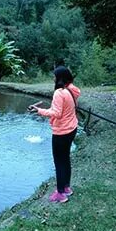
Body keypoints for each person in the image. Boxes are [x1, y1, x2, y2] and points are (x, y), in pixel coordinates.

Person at [28, 66, 80, 203]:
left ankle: (60, 194)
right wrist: (42, 110)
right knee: (65, 159)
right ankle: (67, 188)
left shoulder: (59, 93)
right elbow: (60, 109)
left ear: (60, 77)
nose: (53, 78)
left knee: (59, 162)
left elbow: (56, 113)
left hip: (62, 132)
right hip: (72, 128)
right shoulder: (72, 90)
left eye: (55, 76)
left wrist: (39, 111)